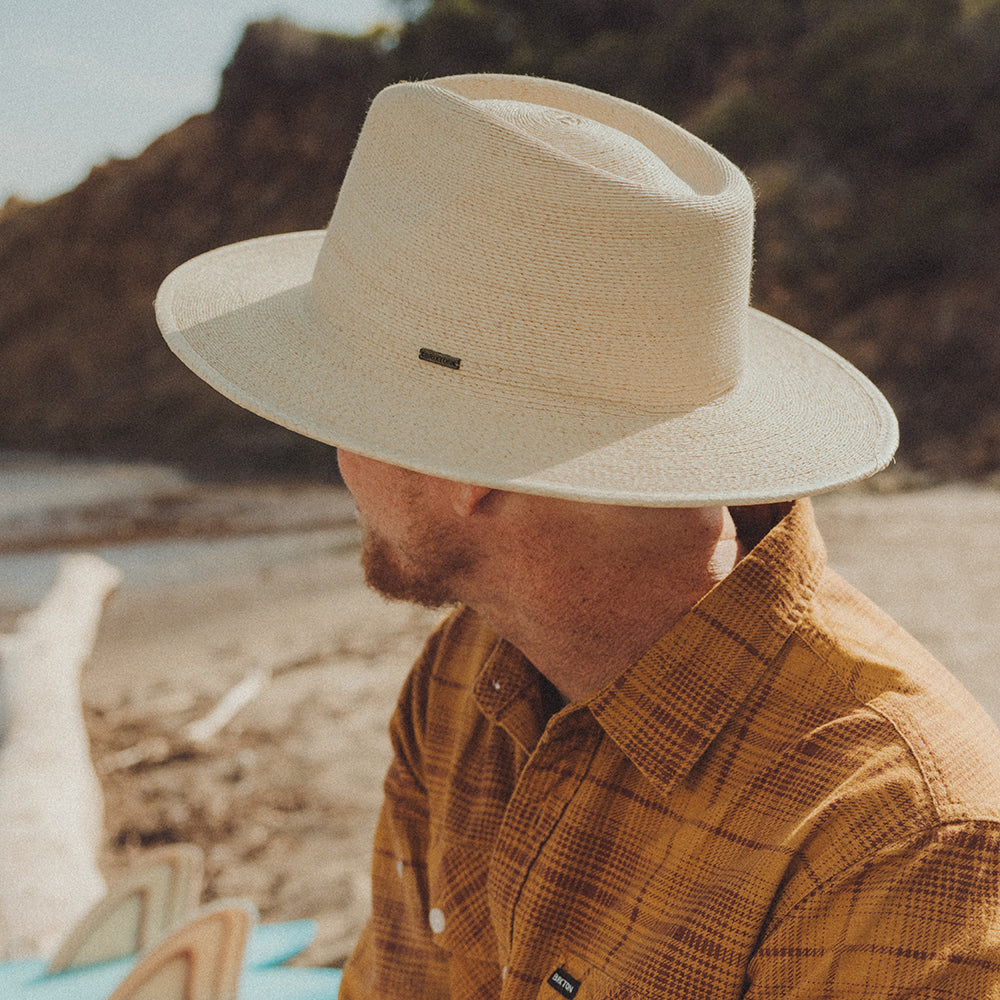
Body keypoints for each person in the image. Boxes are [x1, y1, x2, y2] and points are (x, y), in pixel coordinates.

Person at [156, 74, 1000, 998]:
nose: (332, 451)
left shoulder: (900, 841)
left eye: (346, 410)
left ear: (458, 464)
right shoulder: (462, 680)